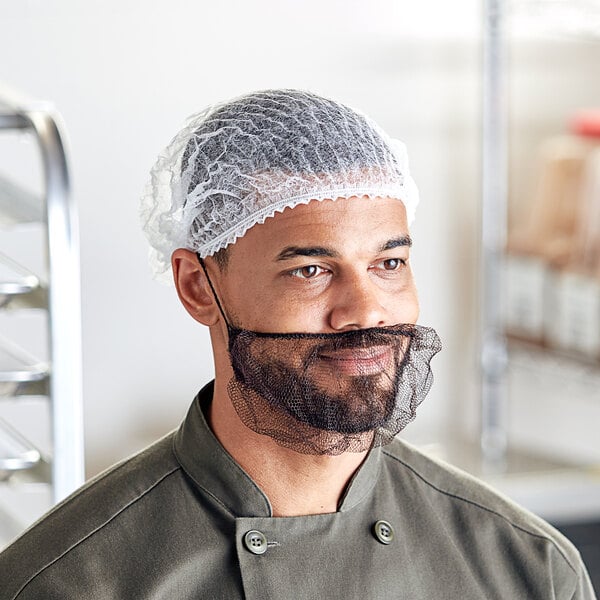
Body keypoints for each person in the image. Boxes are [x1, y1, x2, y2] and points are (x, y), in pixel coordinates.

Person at [0, 89, 595, 599]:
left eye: (389, 263)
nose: (366, 311)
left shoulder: (528, 569)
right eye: (311, 270)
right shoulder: (67, 581)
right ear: (197, 285)